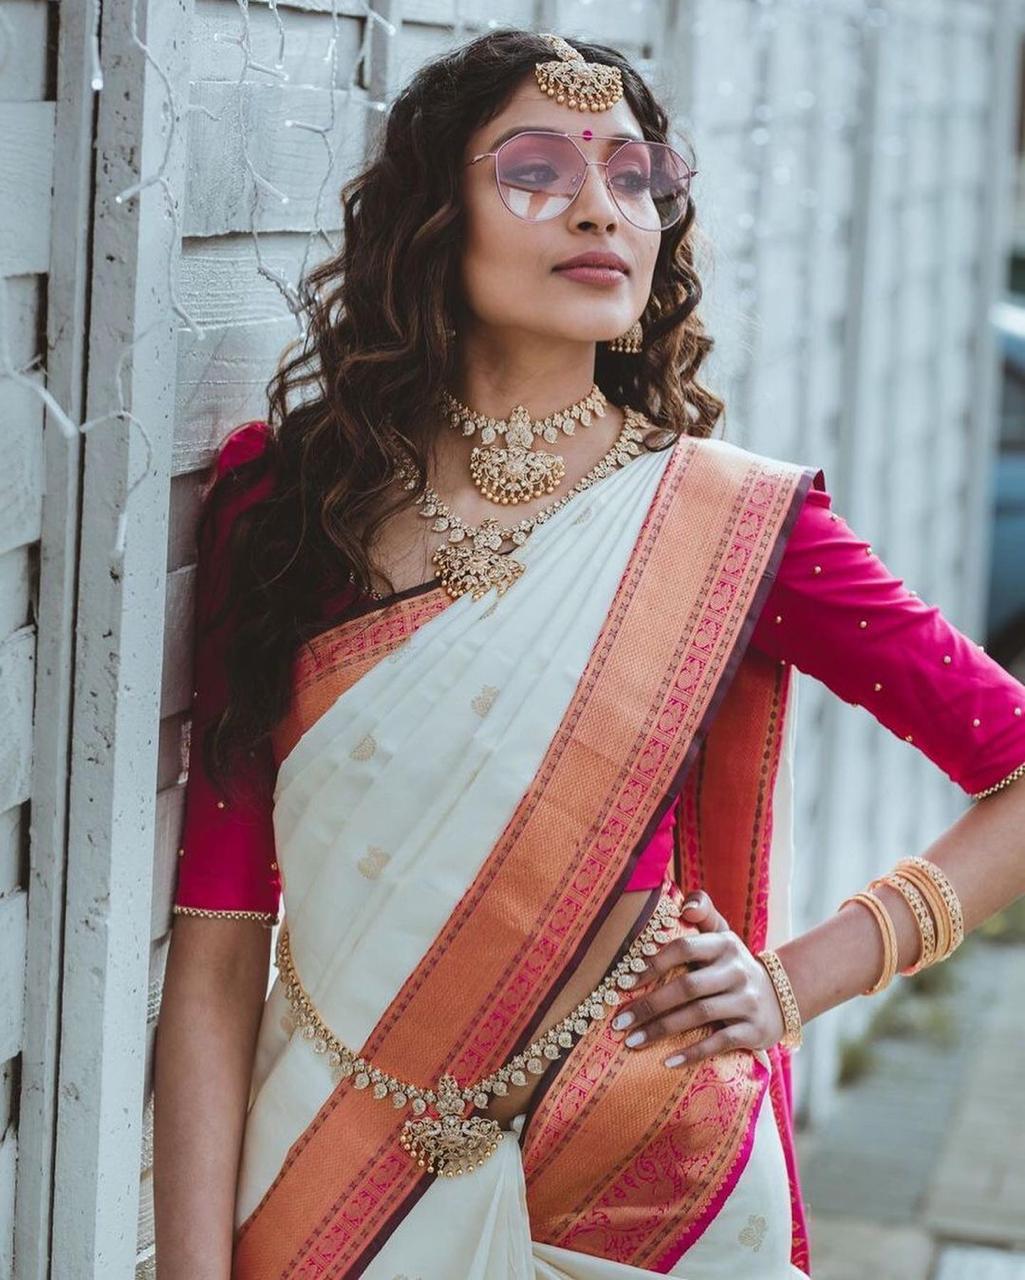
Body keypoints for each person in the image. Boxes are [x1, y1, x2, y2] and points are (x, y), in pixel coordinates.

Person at [152, 28, 1025, 1280]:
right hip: (329, 1176)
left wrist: (798, 980)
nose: (599, 209)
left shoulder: (731, 525)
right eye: (536, 171)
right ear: (430, 215)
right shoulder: (291, 512)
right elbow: (218, 942)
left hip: (648, 1191)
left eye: (633, 175)